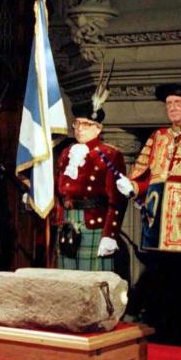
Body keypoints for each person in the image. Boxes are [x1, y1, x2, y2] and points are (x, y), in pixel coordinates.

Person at [117, 83, 181, 345]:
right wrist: (133, 186)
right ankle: (160, 340)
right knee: (159, 285)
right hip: (157, 226)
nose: (172, 108)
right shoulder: (158, 137)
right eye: (169, 104)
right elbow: (145, 177)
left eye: (178, 103)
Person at [56, 104, 127, 271]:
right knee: (66, 282)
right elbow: (59, 189)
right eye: (77, 123)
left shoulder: (110, 155)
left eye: (86, 124)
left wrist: (110, 235)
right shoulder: (67, 153)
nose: (80, 129)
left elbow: (118, 200)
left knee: (93, 283)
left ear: (98, 128)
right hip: (68, 223)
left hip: (94, 224)